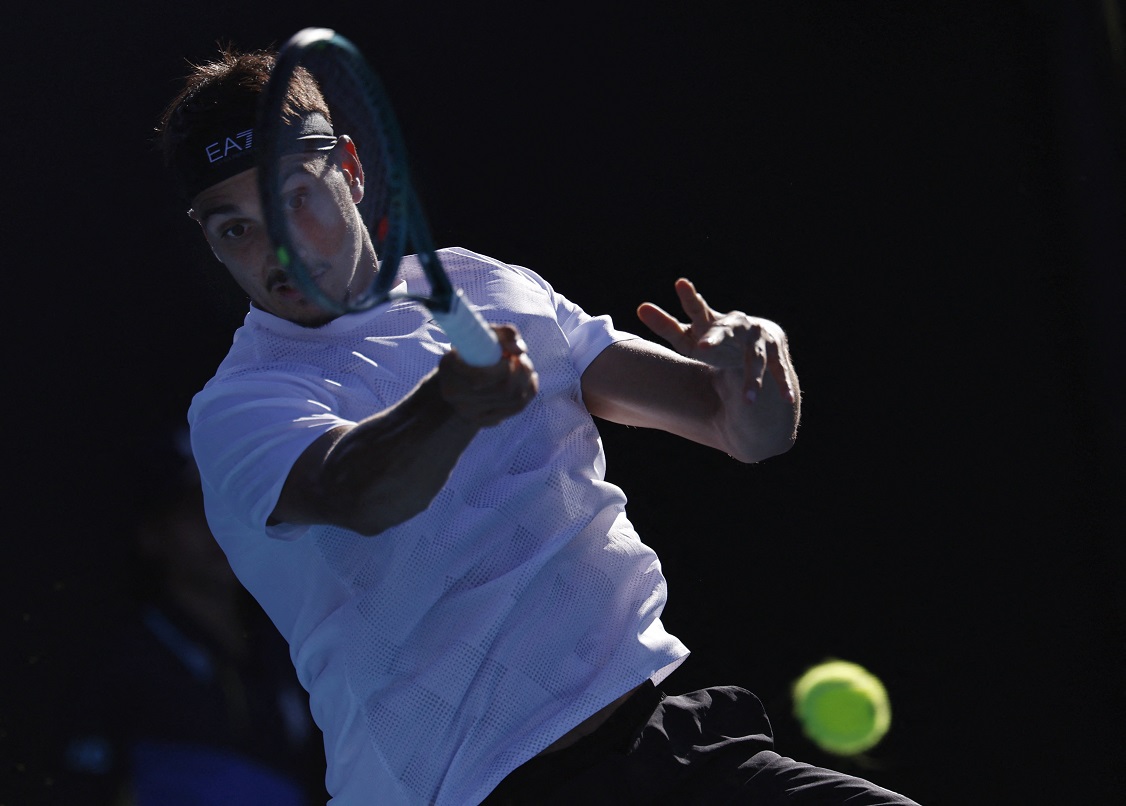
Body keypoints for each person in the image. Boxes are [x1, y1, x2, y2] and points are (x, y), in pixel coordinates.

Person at [155, 46, 919, 805]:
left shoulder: (486, 285)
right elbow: (357, 491)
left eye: (294, 198)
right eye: (236, 230)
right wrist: (449, 404)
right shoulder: (241, 406)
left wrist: (757, 372)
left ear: (349, 170)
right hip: (480, 793)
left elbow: (739, 427)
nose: (276, 250)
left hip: (662, 741)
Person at [55, 422, 328, 805]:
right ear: (152, 534)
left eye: (227, 506)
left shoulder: (295, 655)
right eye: (192, 508)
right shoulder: (118, 665)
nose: (215, 526)